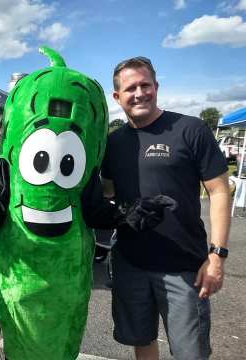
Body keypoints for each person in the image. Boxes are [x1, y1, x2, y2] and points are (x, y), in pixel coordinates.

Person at [102, 57, 231, 360]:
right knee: (141, 340)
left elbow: (219, 191)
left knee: (191, 353)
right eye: (130, 88)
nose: (139, 93)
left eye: (145, 85)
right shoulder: (114, 142)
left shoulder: (190, 129)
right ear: (117, 97)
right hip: (130, 264)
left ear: (156, 86)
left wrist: (217, 255)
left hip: (184, 268)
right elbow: (107, 193)